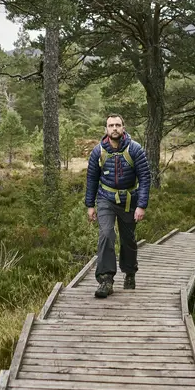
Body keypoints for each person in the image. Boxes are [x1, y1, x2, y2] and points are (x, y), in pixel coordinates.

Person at [84, 113, 151, 298]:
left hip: (130, 200)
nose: (114, 128)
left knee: (128, 239)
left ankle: (129, 273)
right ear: (106, 129)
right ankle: (106, 279)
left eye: (117, 125)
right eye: (111, 125)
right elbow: (91, 179)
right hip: (106, 199)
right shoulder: (98, 152)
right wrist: (90, 205)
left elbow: (145, 178)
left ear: (123, 127)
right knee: (106, 234)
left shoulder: (135, 149)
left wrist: (142, 205)